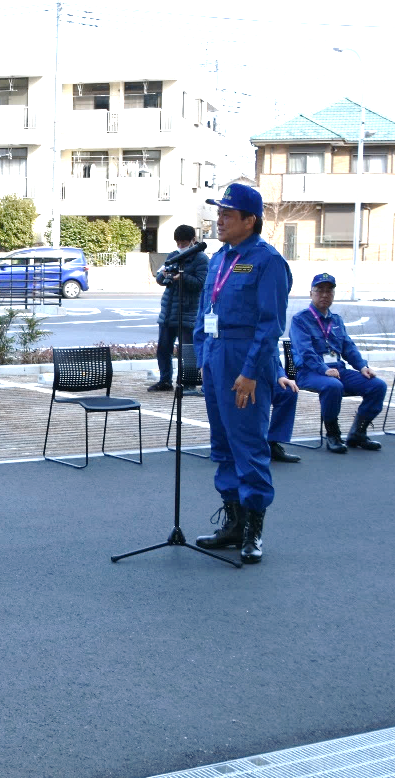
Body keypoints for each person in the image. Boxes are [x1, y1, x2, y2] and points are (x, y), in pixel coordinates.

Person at [192, 183, 292, 564]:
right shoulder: (218, 260)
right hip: (216, 358)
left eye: (228, 215)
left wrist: (251, 372)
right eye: (219, 213)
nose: (219, 220)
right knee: (222, 445)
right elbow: (204, 313)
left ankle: (253, 531)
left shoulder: (267, 261)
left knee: (248, 444)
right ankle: (233, 522)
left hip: (246, 359)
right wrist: (202, 357)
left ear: (250, 220)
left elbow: (270, 325)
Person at [289, 273, 386, 453]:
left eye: (329, 291)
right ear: (311, 293)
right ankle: (333, 434)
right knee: (333, 386)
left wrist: (362, 367)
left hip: (338, 371)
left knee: (377, 385)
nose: (324, 295)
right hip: (310, 373)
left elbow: (349, 347)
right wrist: (324, 369)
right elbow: (305, 352)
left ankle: (358, 432)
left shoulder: (336, 320)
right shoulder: (300, 320)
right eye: (320, 290)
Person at [151, 224, 208, 394]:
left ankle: (188, 382)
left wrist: (181, 277)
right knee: (163, 348)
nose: (181, 246)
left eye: (184, 242)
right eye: (178, 242)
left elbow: (200, 284)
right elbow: (160, 278)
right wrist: (166, 276)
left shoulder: (201, 259)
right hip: (168, 311)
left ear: (193, 241)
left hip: (188, 312)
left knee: (188, 350)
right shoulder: (173, 256)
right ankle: (165, 381)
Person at [267, 374, 301, 463]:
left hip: (264, 377)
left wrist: (280, 375)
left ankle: (272, 443)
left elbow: (273, 359)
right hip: (238, 375)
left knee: (288, 391)